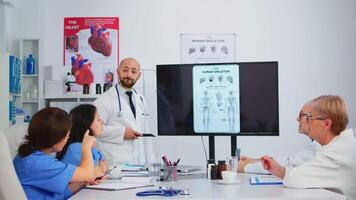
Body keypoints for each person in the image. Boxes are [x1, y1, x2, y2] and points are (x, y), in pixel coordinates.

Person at [261, 95, 356, 199]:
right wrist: (278, 169)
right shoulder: (341, 146)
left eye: (309, 118)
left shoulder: (336, 153)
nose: (303, 121)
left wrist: (279, 170)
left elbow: (296, 179)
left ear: (326, 124)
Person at [13, 107, 99, 200]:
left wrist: (83, 182)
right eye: (66, 136)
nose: (67, 139)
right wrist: (86, 146)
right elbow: (87, 174)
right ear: (55, 139)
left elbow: (59, 194)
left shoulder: (30, 157)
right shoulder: (38, 163)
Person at [94, 58, 154, 167]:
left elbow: (146, 133)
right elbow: (94, 129)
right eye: (125, 70)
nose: (129, 75)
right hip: (115, 165)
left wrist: (151, 164)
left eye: (133, 72)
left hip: (139, 164)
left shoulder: (141, 99)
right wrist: (121, 133)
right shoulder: (104, 100)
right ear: (118, 72)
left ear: (139, 75)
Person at [238, 101, 320, 174]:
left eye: (301, 115)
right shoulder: (315, 145)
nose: (297, 119)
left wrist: (246, 167)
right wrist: (254, 162)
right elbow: (290, 160)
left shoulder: (319, 146)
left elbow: (291, 165)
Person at [56, 104, 108, 176]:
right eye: (98, 119)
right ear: (87, 124)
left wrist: (101, 167)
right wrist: (100, 167)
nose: (102, 122)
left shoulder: (88, 146)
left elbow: (104, 164)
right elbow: (95, 171)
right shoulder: (75, 148)